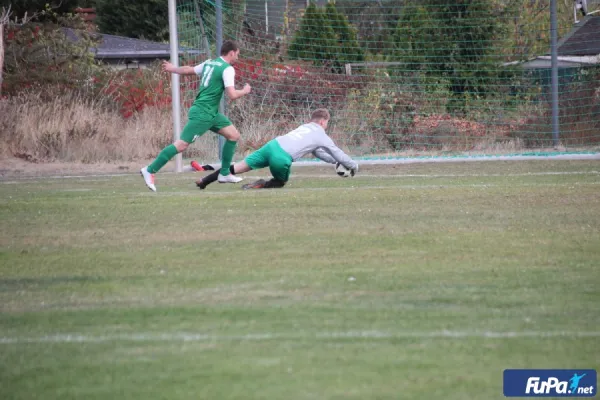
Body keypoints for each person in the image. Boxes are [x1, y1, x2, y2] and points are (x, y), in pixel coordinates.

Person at [140, 40, 251, 192]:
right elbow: (232, 95)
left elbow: (188, 70)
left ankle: (224, 173)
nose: (237, 57)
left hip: (211, 113)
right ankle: (150, 170)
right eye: (237, 54)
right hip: (203, 113)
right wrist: (244, 91)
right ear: (231, 53)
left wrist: (173, 68)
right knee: (181, 145)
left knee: (233, 135)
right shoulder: (227, 69)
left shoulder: (209, 63)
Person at [195, 108, 358, 190]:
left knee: (237, 167)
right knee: (280, 182)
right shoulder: (321, 134)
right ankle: (260, 185)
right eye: (327, 123)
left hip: (272, 145)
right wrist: (352, 165)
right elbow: (336, 151)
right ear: (323, 122)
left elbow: (318, 152)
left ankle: (204, 181)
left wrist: (334, 162)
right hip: (281, 157)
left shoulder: (306, 127)